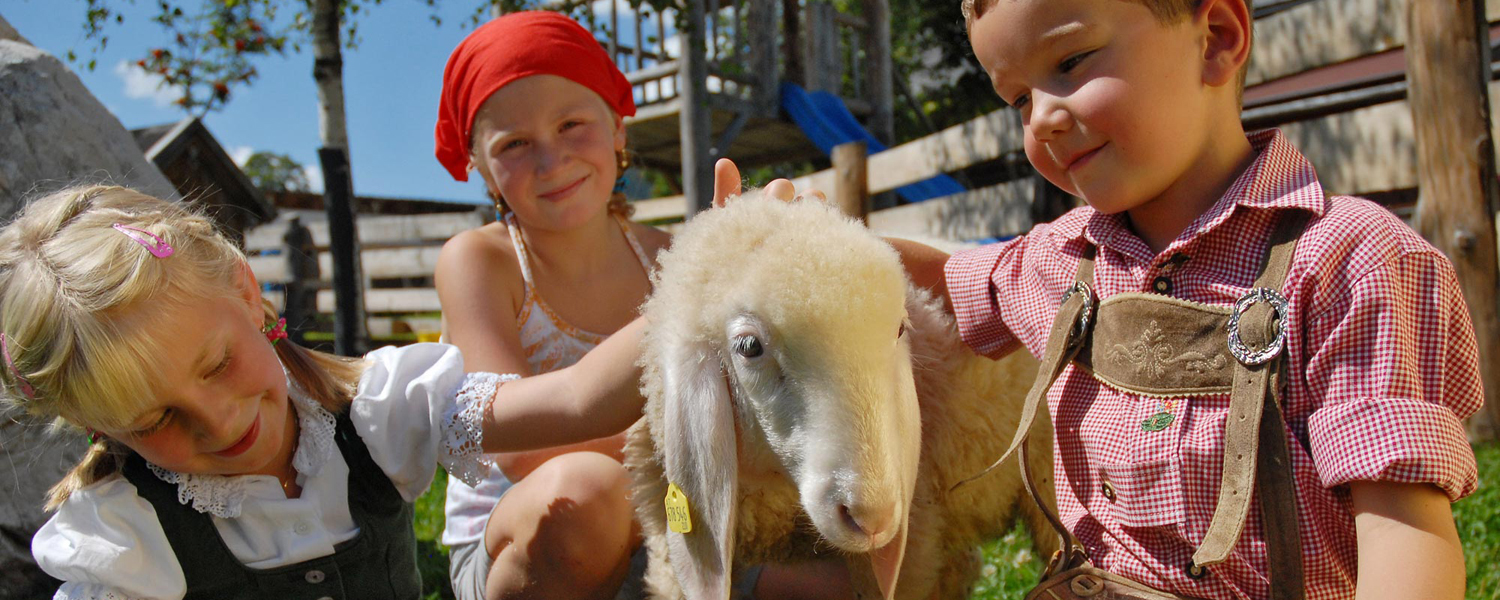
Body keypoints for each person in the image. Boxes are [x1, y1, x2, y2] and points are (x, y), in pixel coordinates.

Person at [876, 0, 1481, 598]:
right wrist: (815, 237)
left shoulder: (1350, 263)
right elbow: (946, 281)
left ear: (1217, 37)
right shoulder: (1063, 260)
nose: (1041, 120)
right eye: (1019, 100)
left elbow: (1403, 530)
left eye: (1071, 61)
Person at [3, 185, 646, 600]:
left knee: (585, 488)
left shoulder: (371, 412)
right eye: (153, 421)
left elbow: (578, 399)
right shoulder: (127, 533)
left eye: (218, 364)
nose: (219, 423)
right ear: (100, 427)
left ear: (247, 292)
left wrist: (722, 277)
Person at [432, 12, 851, 600]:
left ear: (618, 129)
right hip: (531, 539)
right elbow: (520, 451)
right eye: (515, 144)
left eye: (572, 124)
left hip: (675, 519)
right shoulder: (479, 262)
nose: (551, 161)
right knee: (584, 492)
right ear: (479, 165)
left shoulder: (668, 252)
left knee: (836, 578)